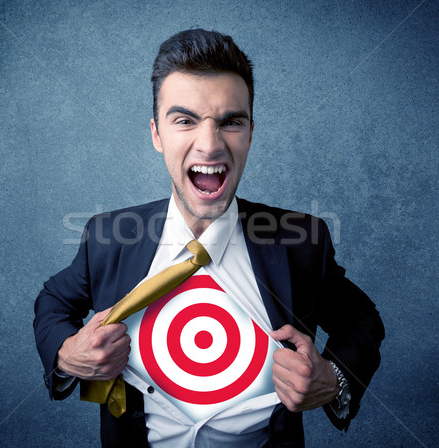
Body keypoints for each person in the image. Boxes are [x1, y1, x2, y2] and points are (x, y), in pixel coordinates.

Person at [33, 29, 385, 447]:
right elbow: (53, 303)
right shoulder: (108, 237)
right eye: (184, 120)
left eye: (230, 122)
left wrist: (334, 379)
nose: (209, 144)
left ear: (251, 133)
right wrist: (66, 354)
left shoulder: (301, 242)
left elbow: (362, 321)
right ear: (156, 134)